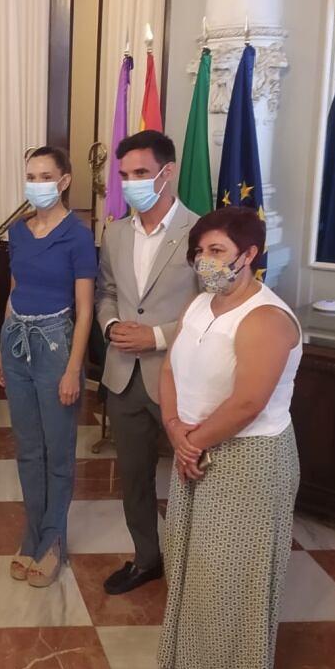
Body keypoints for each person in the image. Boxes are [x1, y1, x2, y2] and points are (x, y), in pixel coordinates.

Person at [157, 206, 301, 669]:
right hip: (193, 447)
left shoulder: (266, 317)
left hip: (250, 459)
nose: (205, 261)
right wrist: (176, 430)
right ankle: (194, 657)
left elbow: (248, 401)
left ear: (250, 254)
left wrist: (189, 442)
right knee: (192, 559)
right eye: (200, 252)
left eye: (217, 251)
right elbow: (171, 370)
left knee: (235, 571)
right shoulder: (199, 305)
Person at [95, 130, 199, 595]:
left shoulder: (201, 233)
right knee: (133, 477)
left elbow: (214, 311)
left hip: (180, 379)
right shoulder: (116, 231)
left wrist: (156, 336)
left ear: (167, 172)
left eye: (140, 173)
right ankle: (146, 558)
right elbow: (108, 293)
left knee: (192, 479)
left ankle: (196, 571)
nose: (131, 182)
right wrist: (111, 324)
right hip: (123, 377)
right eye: (124, 175)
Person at [0, 147, 97, 586]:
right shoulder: (18, 232)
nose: (36, 182)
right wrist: (0, 349)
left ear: (64, 180)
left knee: (57, 448)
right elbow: (15, 289)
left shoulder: (77, 235)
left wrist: (74, 369)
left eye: (45, 175)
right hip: (15, 341)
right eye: (30, 174)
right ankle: (32, 532)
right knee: (28, 447)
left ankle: (54, 538)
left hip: (57, 344)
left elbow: (86, 308)